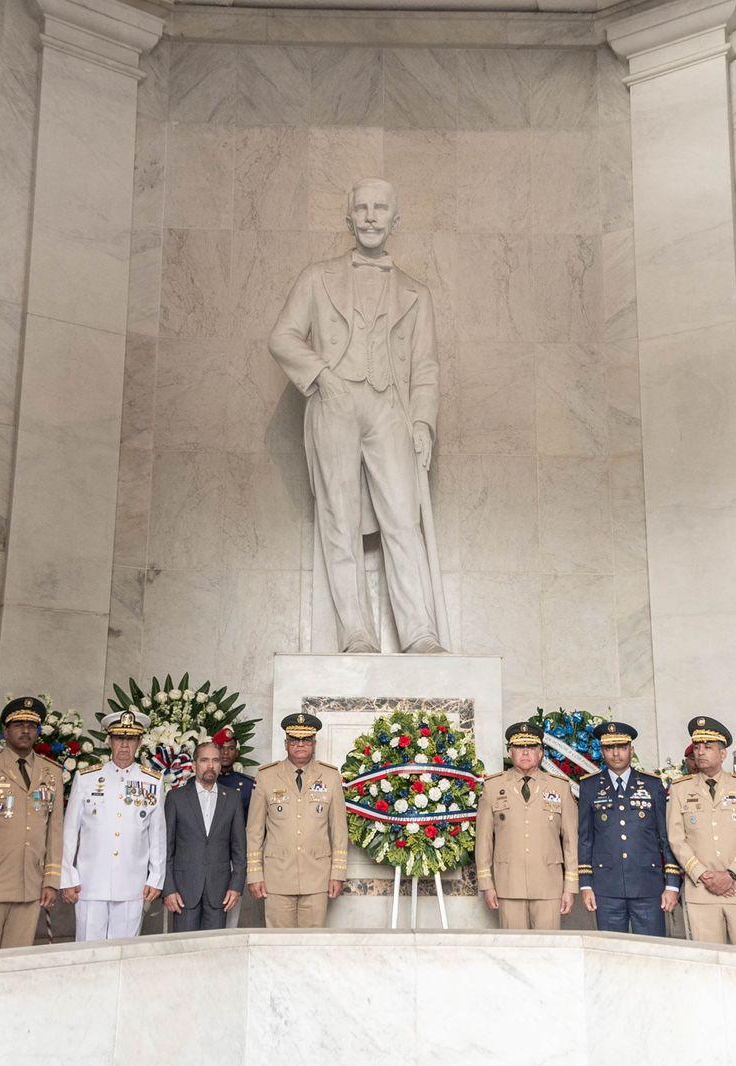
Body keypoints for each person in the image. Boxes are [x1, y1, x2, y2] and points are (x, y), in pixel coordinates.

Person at [269, 177, 447, 655]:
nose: (371, 216)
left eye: (380, 208)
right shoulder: (316, 276)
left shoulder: (416, 292)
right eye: (363, 208)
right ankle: (356, 631)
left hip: (391, 407)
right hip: (335, 401)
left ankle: (419, 633)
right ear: (349, 218)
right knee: (339, 517)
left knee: (402, 519)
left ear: (395, 219)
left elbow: (426, 364)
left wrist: (423, 422)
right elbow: (283, 337)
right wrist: (321, 375)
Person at [0, 696, 64, 951]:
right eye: (18, 725)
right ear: (6, 731)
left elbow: (55, 830)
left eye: (31, 725)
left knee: (15, 965)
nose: (25, 731)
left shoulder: (52, 772)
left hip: (30, 885)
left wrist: (51, 880)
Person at [60, 709, 166, 941]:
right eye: (119, 738)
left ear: (140, 742)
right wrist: (68, 877)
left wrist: (155, 877)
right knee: (88, 948)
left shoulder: (153, 781)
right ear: (109, 740)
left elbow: (157, 835)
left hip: (132, 883)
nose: (125, 746)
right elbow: (70, 832)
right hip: (90, 882)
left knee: (124, 952)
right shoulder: (86, 778)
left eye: (130, 739)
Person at [666, 716, 736, 948]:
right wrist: (703, 875)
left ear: (723, 754)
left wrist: (731, 875)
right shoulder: (681, 789)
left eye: (708, 747)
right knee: (708, 965)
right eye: (698, 747)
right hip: (702, 892)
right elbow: (676, 838)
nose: (701, 752)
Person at [577, 721, 681, 935]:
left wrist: (672, 884)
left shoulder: (652, 785)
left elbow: (665, 836)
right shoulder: (590, 786)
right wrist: (586, 884)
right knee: (611, 953)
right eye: (609, 748)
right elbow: (586, 839)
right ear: (602, 751)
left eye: (622, 747)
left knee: (653, 951)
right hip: (607, 888)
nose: (616, 754)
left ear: (631, 751)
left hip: (647, 885)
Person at [245, 712, 348, 928]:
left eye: (306, 740)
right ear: (285, 744)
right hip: (277, 878)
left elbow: (339, 830)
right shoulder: (266, 776)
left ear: (314, 743)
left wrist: (338, 873)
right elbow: (254, 831)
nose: (300, 745)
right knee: (278, 945)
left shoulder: (330, 776)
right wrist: (254, 873)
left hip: (317, 877)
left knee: (312, 946)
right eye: (294, 740)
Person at [474, 719, 578, 930]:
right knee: (514, 951)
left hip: (549, 886)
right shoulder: (493, 787)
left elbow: (571, 841)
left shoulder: (560, 787)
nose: (525, 753)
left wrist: (570, 886)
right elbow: (483, 840)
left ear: (541, 753)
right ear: (510, 753)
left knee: (549, 951)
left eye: (531, 747)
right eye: (519, 747)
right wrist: (486, 884)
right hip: (508, 884)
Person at [164, 742, 246, 932]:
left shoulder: (232, 798)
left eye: (215, 761)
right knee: (184, 949)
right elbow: (166, 849)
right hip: (183, 892)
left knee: (215, 951)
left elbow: (239, 850)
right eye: (205, 760)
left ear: (220, 765)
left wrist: (236, 886)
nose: (210, 766)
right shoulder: (176, 798)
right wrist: (169, 889)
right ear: (194, 765)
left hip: (220, 892)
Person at [215, 726, 254, 928]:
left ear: (237, 753)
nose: (225, 753)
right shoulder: (199, 782)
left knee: (230, 919)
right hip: (205, 856)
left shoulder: (247, 785)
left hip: (233, 857)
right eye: (221, 748)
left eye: (230, 748)